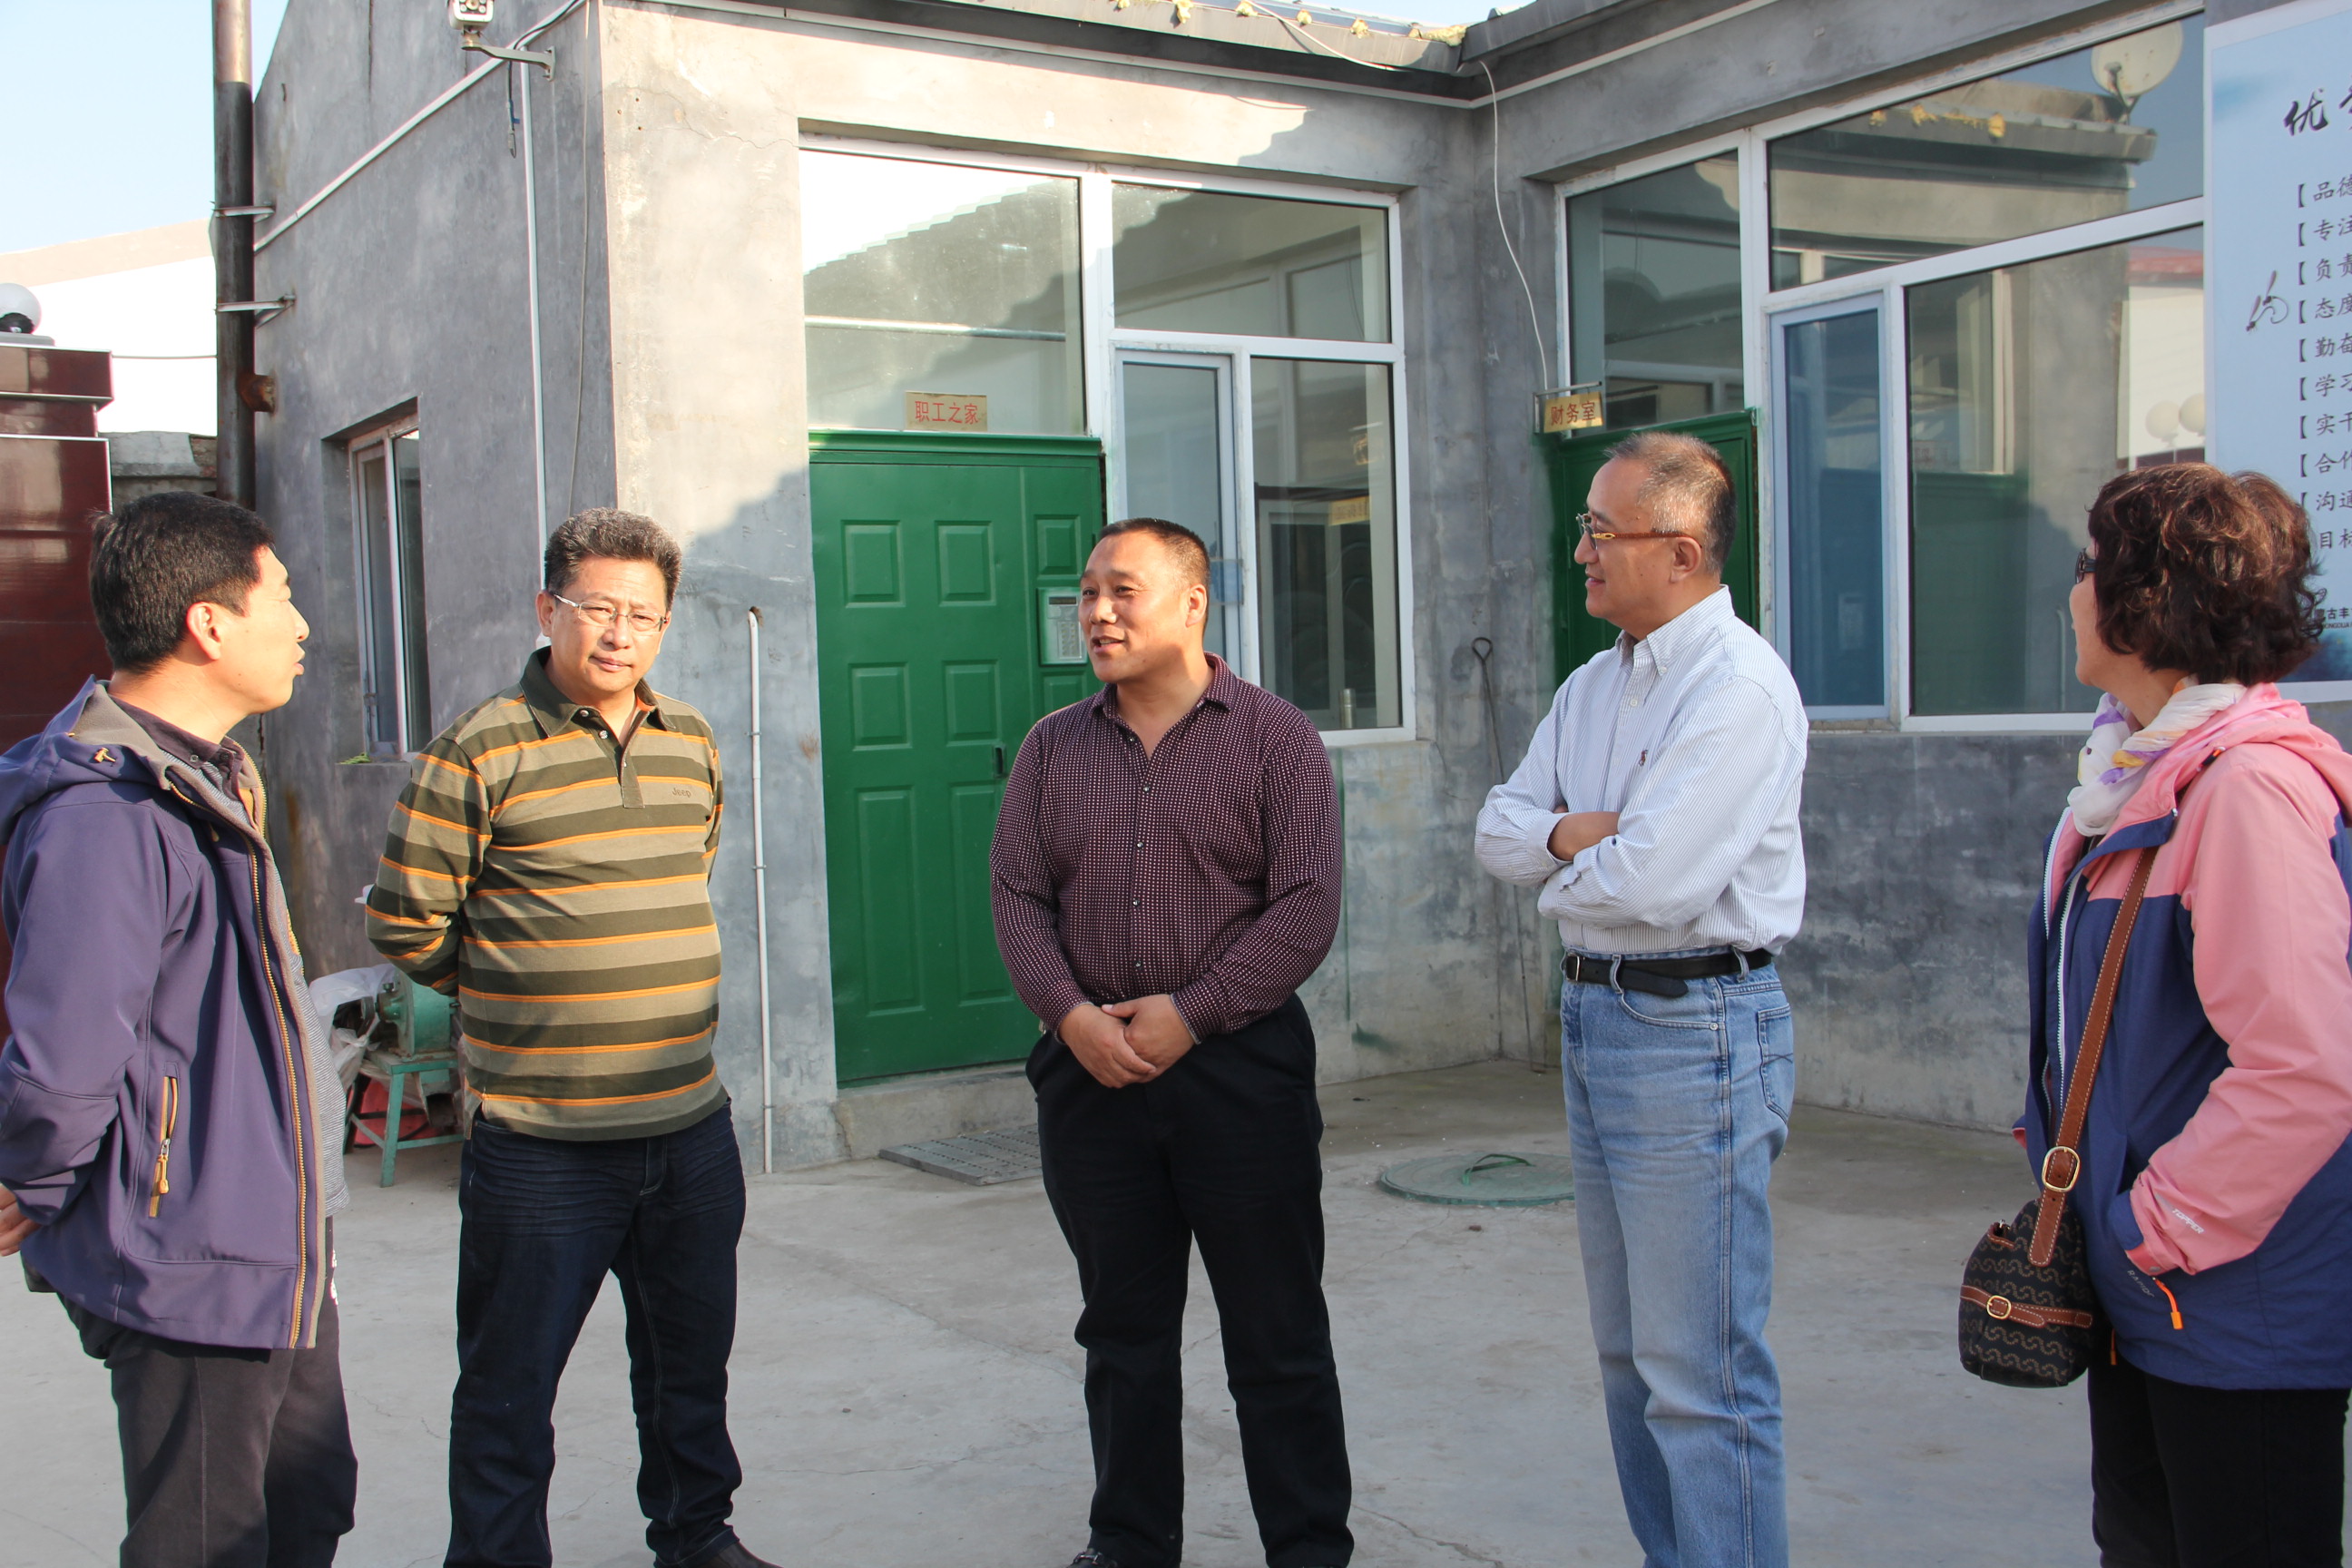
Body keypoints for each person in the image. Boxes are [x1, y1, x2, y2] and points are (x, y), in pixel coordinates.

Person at [368, 509, 774, 1568]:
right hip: (542, 1144)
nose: (620, 633)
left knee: (688, 1372)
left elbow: (688, 872)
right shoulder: (476, 752)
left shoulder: (691, 742)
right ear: (548, 609)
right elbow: (406, 924)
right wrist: (521, 987)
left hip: (689, 1129)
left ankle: (697, 1538)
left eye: (645, 615)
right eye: (598, 608)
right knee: (510, 1387)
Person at [0, 491, 356, 1568]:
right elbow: (63, 1058)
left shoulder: (207, 776)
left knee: (306, 1510)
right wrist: (31, 1177)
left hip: (275, 1235)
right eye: (282, 596)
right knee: (206, 1542)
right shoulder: (108, 814)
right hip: (190, 1250)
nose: (301, 624)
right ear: (210, 623)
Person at [991, 517, 1352, 1568]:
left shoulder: (1276, 738)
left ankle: (1308, 1548)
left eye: (1123, 591)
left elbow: (1305, 907)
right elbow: (1018, 895)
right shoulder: (1053, 748)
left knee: (1277, 1332)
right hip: (1091, 1070)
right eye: (1087, 593)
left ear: (1193, 603)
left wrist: (1192, 1013)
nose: (1097, 613)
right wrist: (1069, 1015)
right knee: (1122, 1332)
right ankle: (1129, 1542)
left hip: (1240, 1070)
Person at [1475, 431, 1806, 1568]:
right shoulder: (1594, 686)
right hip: (1598, 1016)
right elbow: (1497, 828)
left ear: (1680, 550)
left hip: (1694, 1028)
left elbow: (1657, 887)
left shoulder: (1738, 690)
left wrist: (1560, 867)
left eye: (1597, 532)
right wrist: (1581, 837)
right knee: (1628, 1359)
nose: (1580, 552)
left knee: (1699, 1371)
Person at [2026, 465, 2352, 1567]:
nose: (2072, 590)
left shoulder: (2245, 790)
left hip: (2230, 1303)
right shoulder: (2138, 776)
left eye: (2089, 564)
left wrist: (2147, 1232)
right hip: (2157, 1297)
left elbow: (2302, 1069)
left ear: (2146, 596)